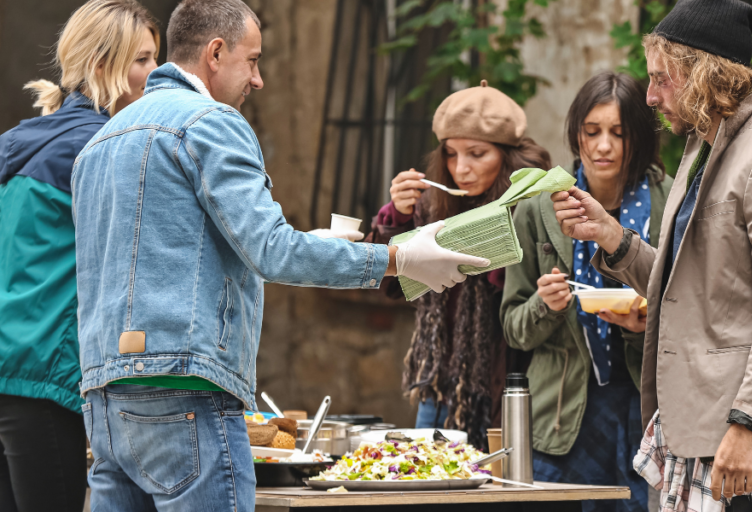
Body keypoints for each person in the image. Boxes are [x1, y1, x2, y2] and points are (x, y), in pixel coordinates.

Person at [71, 1, 486, 509]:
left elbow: (176, 250)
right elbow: (272, 250)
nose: (260, 79)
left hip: (104, 395)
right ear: (216, 53)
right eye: (253, 60)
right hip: (185, 392)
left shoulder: (99, 141)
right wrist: (399, 258)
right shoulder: (211, 122)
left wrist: (310, 243)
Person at [552, 1, 752, 510]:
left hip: (740, 432)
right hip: (697, 421)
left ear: (706, 75)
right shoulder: (704, 149)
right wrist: (613, 237)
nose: (651, 96)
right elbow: (688, 288)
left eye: (663, 79)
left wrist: (748, 424)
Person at [0, 2, 159, 511]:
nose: (155, 75)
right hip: (44, 377)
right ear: (99, 65)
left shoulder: (18, 141)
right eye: (142, 60)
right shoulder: (103, 147)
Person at [501, 71, 669, 511]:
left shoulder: (671, 202)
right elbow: (513, 329)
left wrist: (643, 324)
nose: (603, 146)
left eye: (619, 132)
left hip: (646, 406)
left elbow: (698, 313)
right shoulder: (539, 208)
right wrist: (545, 304)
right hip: (561, 414)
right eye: (591, 132)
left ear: (641, 138)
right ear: (576, 134)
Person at [366, 80, 551, 450]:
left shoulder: (531, 206)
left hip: (504, 382)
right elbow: (391, 284)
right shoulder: (431, 206)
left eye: (477, 154)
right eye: (451, 154)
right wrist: (398, 217)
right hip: (438, 382)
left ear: (507, 156)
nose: (460, 168)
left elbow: (528, 299)